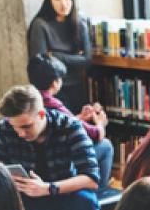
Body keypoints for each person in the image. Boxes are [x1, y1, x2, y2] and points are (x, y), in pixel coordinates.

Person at [0, 85, 99, 210]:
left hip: (63, 192)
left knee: (86, 201)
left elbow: (91, 179)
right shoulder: (5, 128)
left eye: (26, 126)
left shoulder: (70, 126)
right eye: (15, 127)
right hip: (25, 196)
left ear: (41, 114)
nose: (21, 133)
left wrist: (48, 188)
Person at [27, 53, 113, 189]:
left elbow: (59, 122)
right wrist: (100, 123)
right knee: (106, 146)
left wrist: (79, 117)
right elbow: (95, 134)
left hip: (39, 162)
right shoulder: (53, 104)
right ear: (55, 82)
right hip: (62, 162)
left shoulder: (29, 100)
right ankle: (100, 192)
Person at [27, 0, 91, 113]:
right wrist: (74, 58)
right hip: (52, 89)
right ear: (49, 1)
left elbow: (87, 60)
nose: (63, 3)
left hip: (76, 85)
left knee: (82, 123)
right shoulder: (40, 25)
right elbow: (42, 65)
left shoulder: (79, 23)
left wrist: (55, 55)